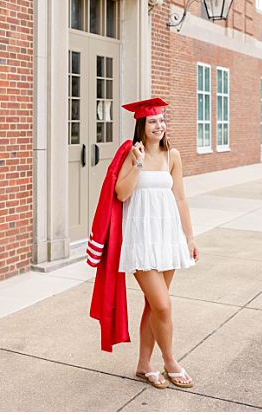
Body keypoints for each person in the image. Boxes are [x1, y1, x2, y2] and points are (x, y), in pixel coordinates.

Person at [114, 97, 199, 389]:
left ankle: (143, 365)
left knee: (153, 305)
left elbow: (180, 198)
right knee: (163, 306)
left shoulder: (171, 155)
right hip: (141, 239)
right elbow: (122, 194)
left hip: (167, 237)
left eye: (162, 120)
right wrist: (137, 164)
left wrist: (189, 237)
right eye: (153, 121)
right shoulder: (131, 154)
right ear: (142, 125)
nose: (159, 126)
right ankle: (170, 360)